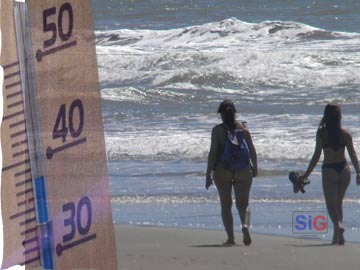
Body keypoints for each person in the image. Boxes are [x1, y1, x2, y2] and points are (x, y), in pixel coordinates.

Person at [298, 104, 360, 245]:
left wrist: (306, 174)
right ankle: (338, 237)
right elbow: (353, 154)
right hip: (344, 170)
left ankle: (338, 225)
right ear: (339, 117)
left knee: (331, 205)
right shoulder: (345, 134)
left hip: (329, 170)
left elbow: (316, 156)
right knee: (338, 203)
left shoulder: (322, 134)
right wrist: (358, 172)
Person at [206, 100, 258, 246]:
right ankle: (245, 226)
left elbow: (213, 153)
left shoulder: (217, 130)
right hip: (243, 170)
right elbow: (252, 150)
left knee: (226, 205)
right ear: (235, 113)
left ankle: (231, 238)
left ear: (221, 115)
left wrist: (208, 174)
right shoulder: (244, 130)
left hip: (223, 171)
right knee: (244, 204)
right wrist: (255, 167)